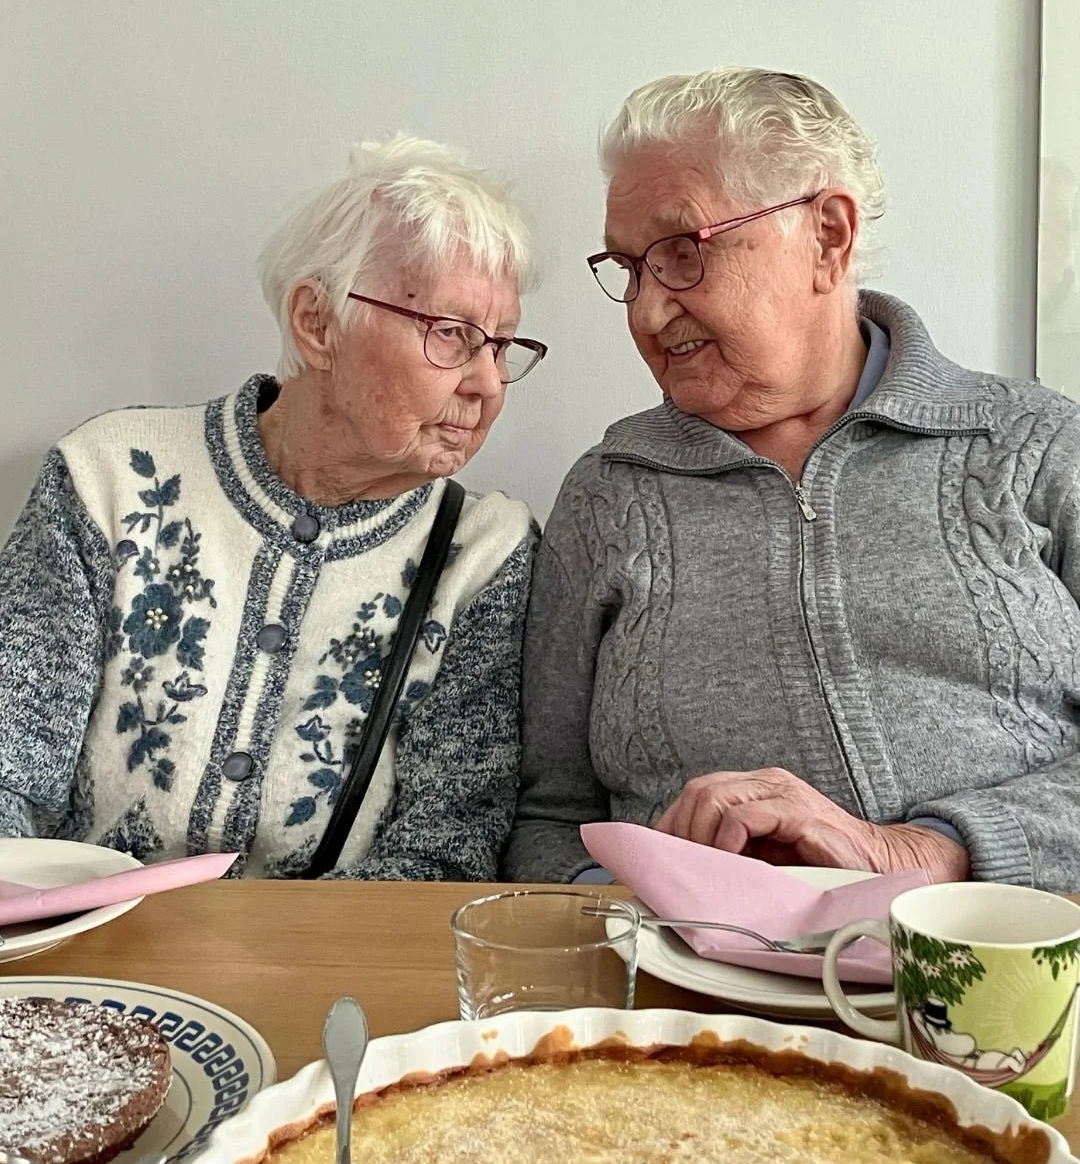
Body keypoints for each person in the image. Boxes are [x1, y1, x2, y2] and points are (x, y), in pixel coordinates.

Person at [506, 66, 1080, 893]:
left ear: (828, 237)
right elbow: (550, 818)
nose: (646, 312)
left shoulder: (1034, 443)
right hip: (704, 996)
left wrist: (924, 852)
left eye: (681, 253)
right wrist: (646, 917)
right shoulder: (610, 493)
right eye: (630, 269)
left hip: (1016, 979)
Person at [0, 135, 547, 879]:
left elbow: (445, 848)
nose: (488, 382)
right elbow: (8, 773)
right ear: (318, 324)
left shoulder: (486, 552)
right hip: (93, 954)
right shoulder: (109, 478)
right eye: (452, 335)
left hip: (330, 975)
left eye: (502, 345)